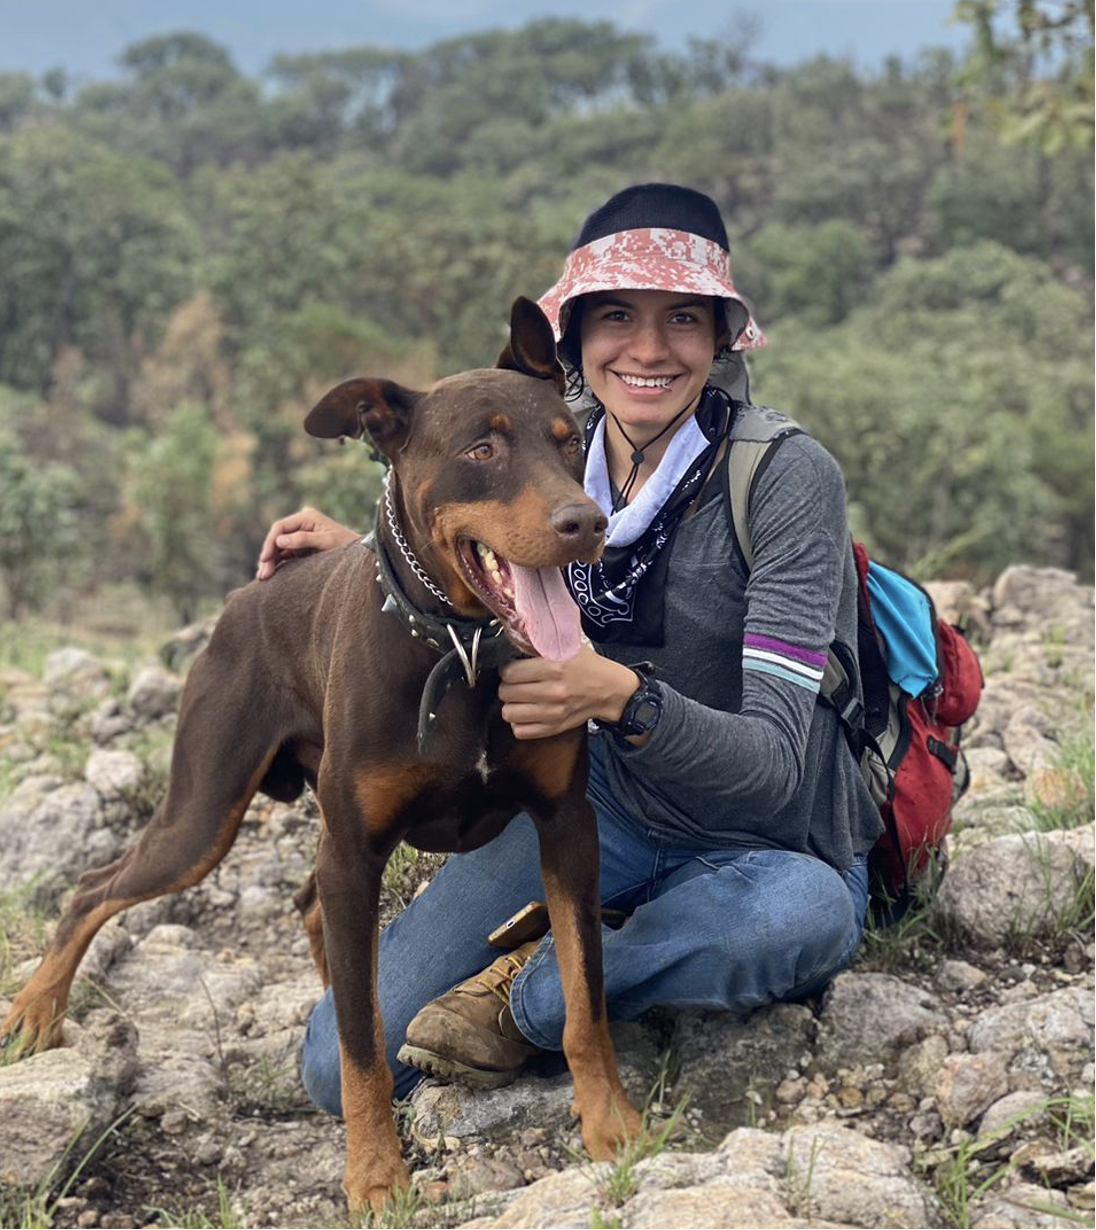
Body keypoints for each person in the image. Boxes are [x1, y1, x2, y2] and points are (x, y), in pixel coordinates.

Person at [258, 183, 883, 1113]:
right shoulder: (560, 441)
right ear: (577, 337)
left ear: (719, 337)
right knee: (330, 1067)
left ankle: (533, 998)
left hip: (762, 841)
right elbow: (477, 532)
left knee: (803, 918)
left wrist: (618, 696)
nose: (648, 347)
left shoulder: (783, 477)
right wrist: (356, 558)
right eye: (617, 315)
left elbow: (778, 773)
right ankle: (592, 936)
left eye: (682, 318)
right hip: (594, 812)